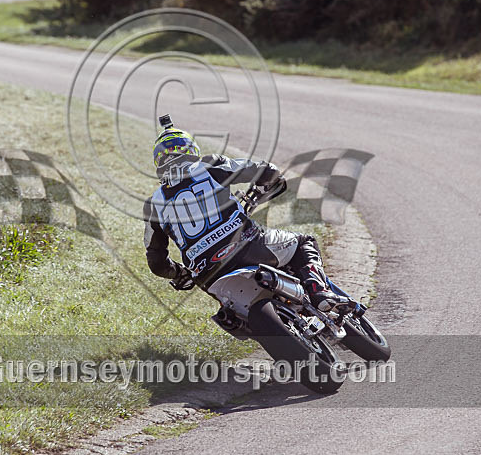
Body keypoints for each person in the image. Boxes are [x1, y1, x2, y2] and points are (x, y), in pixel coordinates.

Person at [143, 116, 353, 313]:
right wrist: (264, 187)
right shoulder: (208, 165)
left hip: (206, 273)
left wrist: (180, 273)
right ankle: (320, 293)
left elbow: (156, 263)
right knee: (302, 242)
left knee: (230, 312)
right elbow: (267, 170)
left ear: (158, 162)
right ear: (191, 149)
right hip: (247, 246)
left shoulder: (153, 203)